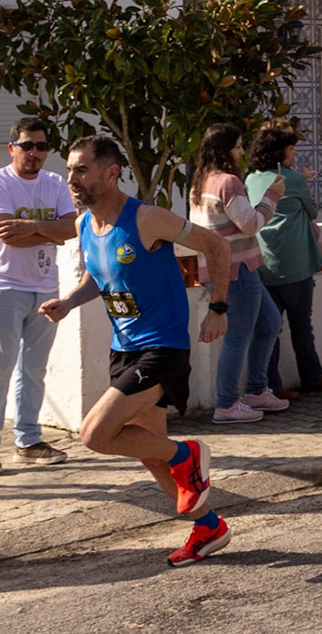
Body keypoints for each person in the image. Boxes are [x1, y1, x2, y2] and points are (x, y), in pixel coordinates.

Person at [42, 133, 235, 566]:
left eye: (81, 170)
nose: (71, 178)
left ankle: (188, 454)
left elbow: (215, 245)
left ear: (111, 173)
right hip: (124, 348)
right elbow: (100, 277)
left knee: (94, 434)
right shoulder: (84, 224)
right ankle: (209, 527)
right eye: (69, 170)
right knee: (151, 455)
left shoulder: (147, 218)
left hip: (162, 348)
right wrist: (69, 302)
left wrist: (218, 308)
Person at [0, 118, 77, 473]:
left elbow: (72, 228)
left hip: (45, 287)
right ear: (12, 147)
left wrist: (30, 226)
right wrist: (51, 231)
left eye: (41, 146)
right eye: (27, 145)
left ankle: (28, 440)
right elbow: (7, 235)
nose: (34, 153)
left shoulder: (55, 183)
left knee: (34, 369)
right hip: (3, 286)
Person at [189, 123, 284, 424]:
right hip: (236, 270)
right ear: (224, 150)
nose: (242, 152)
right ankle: (227, 404)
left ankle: (256, 390)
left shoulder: (200, 182)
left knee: (269, 323)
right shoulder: (228, 182)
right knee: (237, 338)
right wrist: (272, 196)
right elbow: (251, 223)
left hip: (223, 269)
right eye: (238, 146)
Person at [253, 122, 322, 401]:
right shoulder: (293, 179)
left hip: (264, 263)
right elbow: (312, 210)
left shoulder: (250, 179)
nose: (294, 154)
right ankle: (312, 376)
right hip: (296, 263)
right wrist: (300, 178)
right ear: (281, 151)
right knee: (302, 326)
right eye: (291, 149)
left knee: (269, 329)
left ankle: (271, 384)